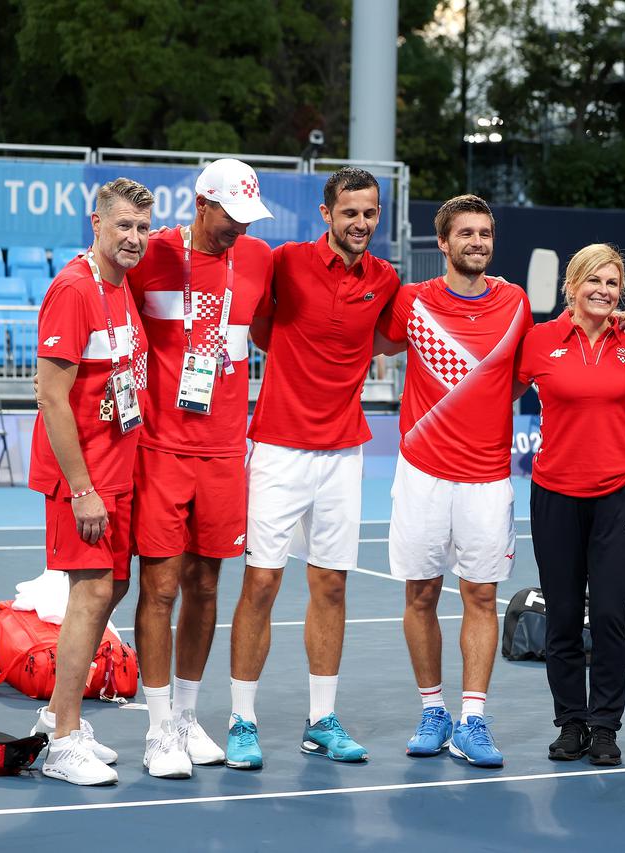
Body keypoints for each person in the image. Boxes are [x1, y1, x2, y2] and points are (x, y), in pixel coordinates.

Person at [226, 167, 400, 769]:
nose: (361, 223)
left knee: (331, 584)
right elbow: (261, 328)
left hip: (343, 454)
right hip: (278, 446)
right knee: (263, 583)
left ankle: (320, 720)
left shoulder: (386, 279)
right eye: (350, 212)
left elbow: (395, 334)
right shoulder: (285, 260)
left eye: (370, 213)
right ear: (326, 214)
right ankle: (241, 720)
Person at [125, 158, 275, 778]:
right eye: (229, 217)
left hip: (221, 451)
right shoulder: (151, 255)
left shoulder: (260, 259)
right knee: (159, 588)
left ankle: (186, 717)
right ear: (200, 204)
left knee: (206, 587)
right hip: (160, 450)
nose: (237, 229)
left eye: (247, 218)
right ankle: (158, 729)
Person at [381, 195, 534, 768]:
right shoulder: (412, 302)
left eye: (485, 233)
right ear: (441, 244)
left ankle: (472, 719)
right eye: (465, 233)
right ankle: (432, 709)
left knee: (482, 595)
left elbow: (519, 378)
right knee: (419, 594)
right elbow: (364, 343)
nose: (477, 241)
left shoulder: (516, 303)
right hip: (420, 473)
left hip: (487, 479)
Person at [29, 178, 153, 785]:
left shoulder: (121, 286)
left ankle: (60, 713)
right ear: (96, 224)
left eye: (142, 228)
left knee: (113, 590)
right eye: (123, 225)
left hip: (119, 469)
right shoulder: (74, 290)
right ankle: (62, 739)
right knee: (91, 594)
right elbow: (51, 398)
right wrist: (81, 489)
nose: (133, 238)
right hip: (83, 478)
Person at [517, 244, 625, 766]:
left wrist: (618, 421)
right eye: (594, 281)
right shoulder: (539, 341)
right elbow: (505, 391)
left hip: (617, 494)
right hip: (554, 493)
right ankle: (570, 723)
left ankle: (604, 726)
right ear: (571, 286)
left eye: (613, 283)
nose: (604, 291)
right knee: (560, 616)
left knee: (606, 614)